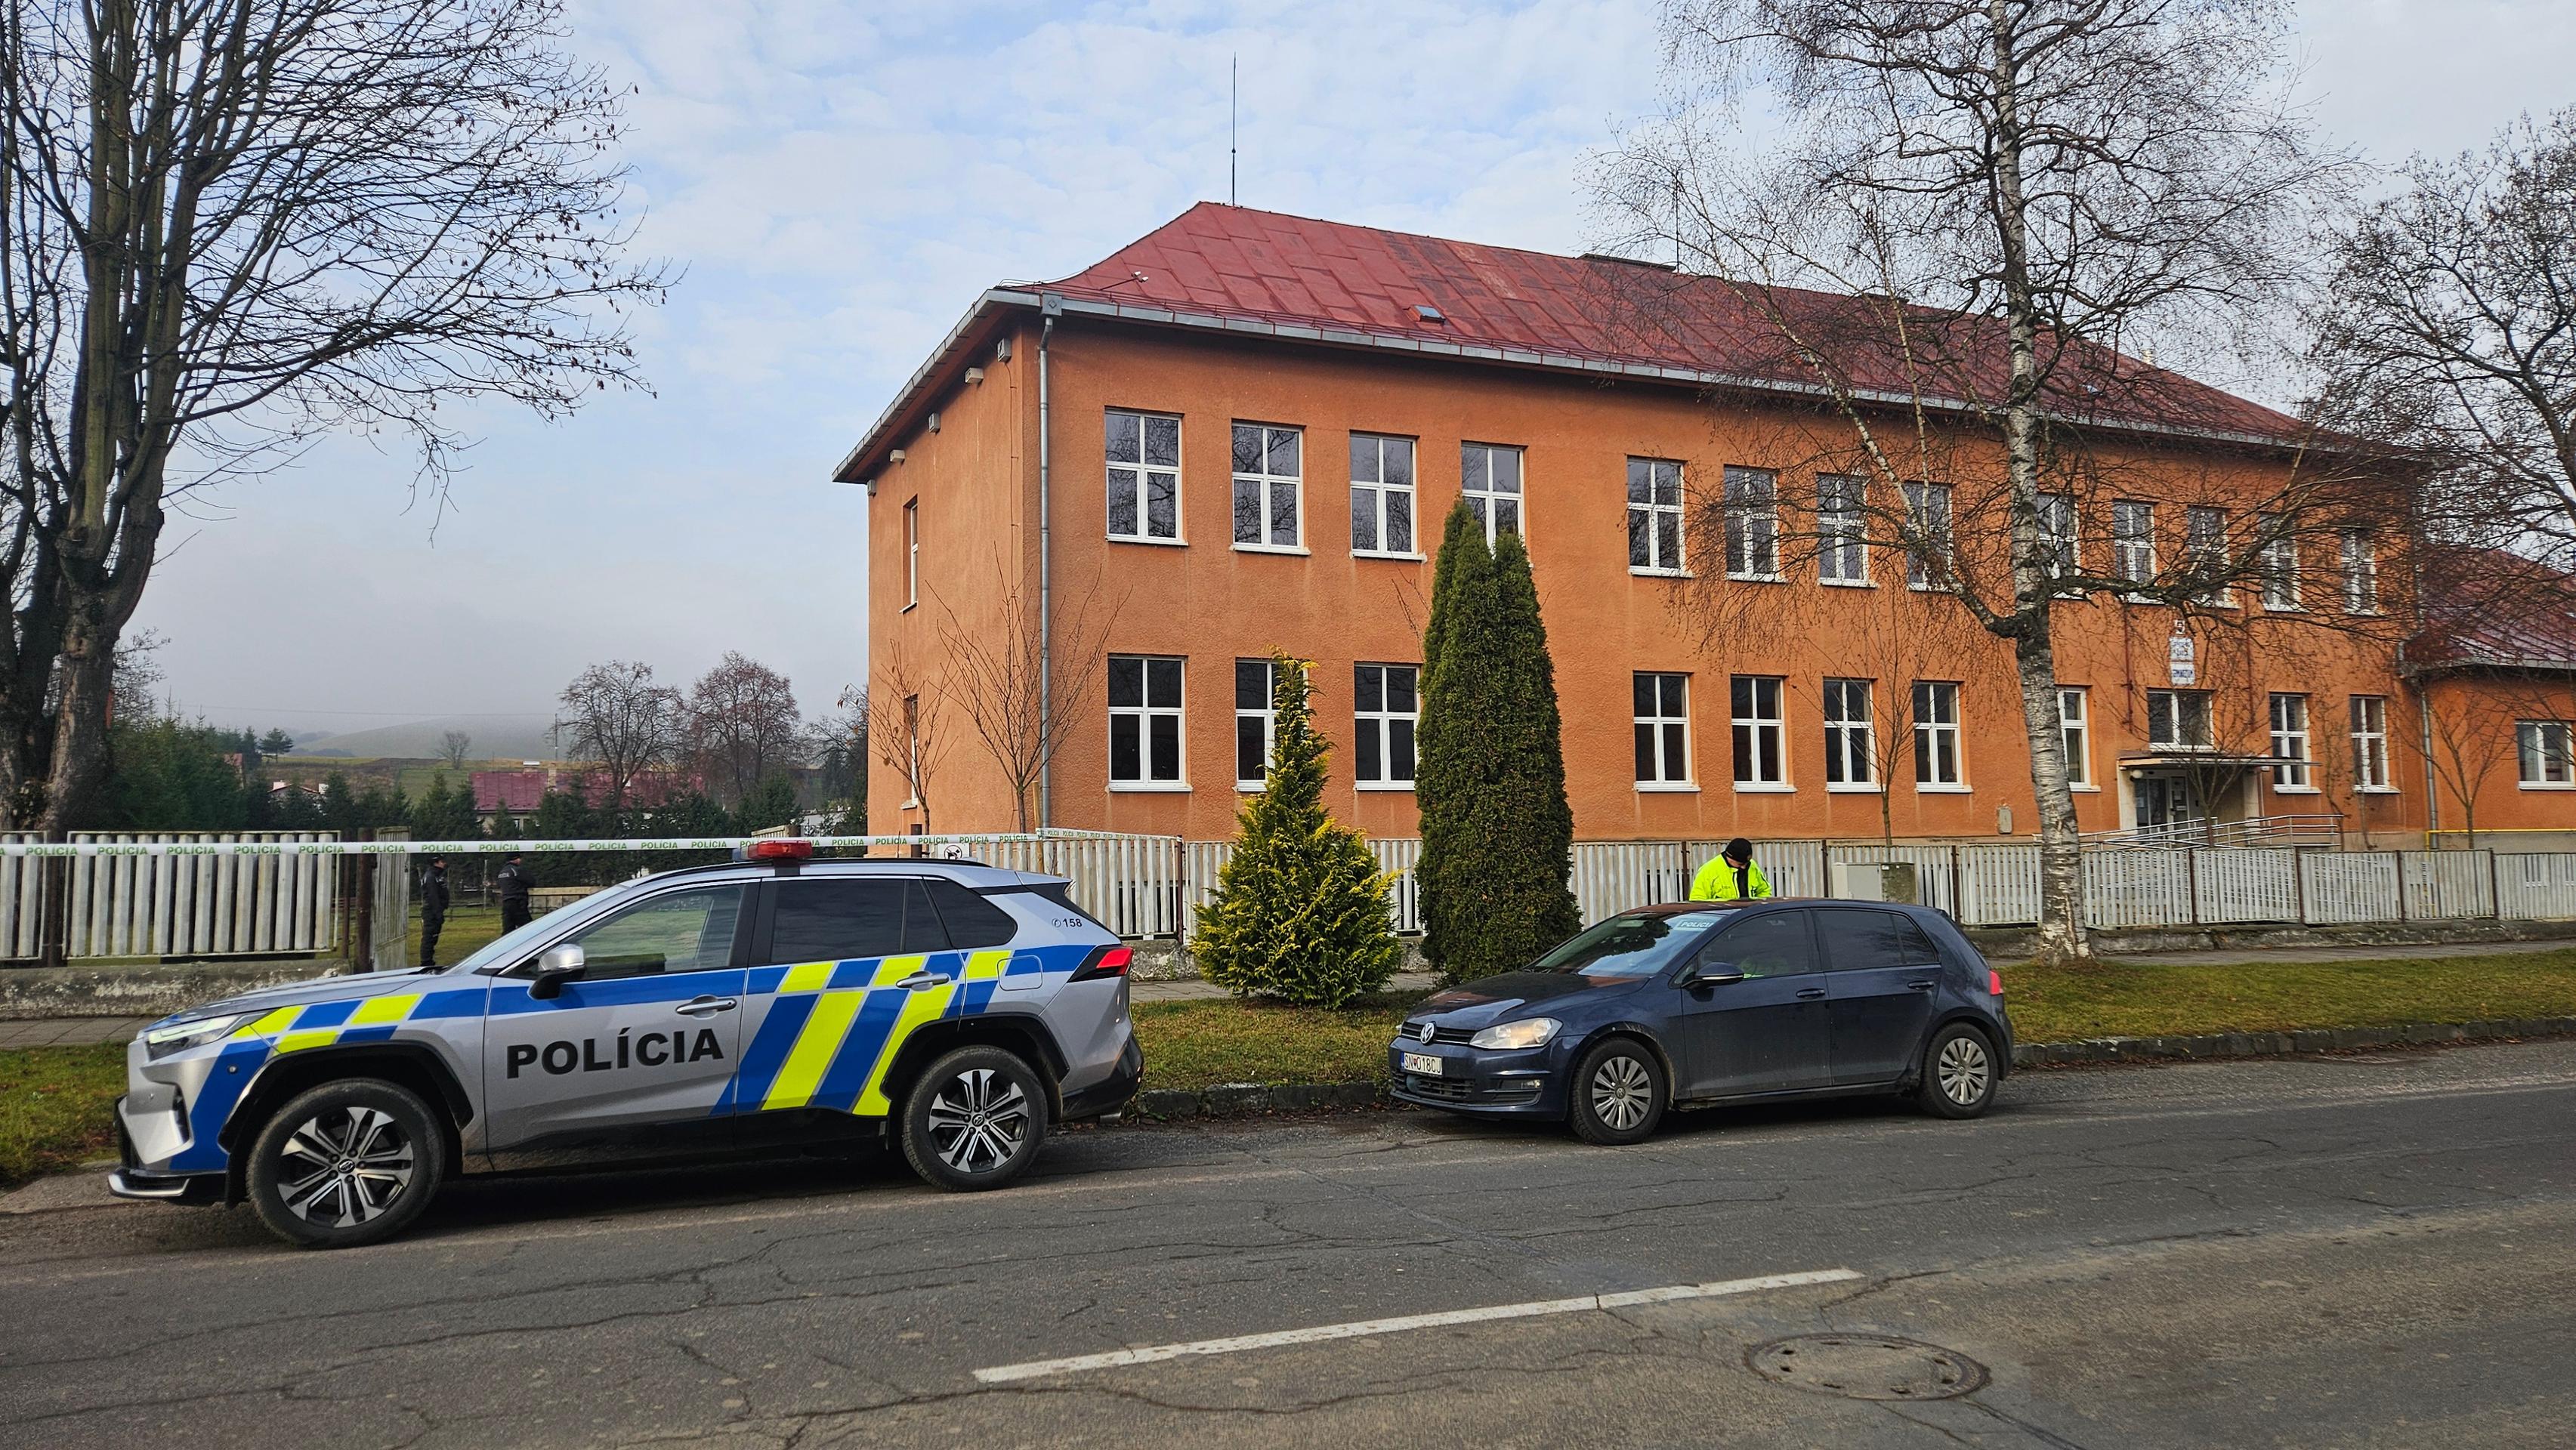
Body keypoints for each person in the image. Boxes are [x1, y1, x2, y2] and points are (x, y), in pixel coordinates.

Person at [1689, 837, 1771, 902]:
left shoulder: (1752, 865)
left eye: (1747, 863)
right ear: (1730, 858)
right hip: (1723, 920)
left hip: (1748, 918)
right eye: (1740, 864)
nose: (1744, 867)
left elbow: (1764, 890)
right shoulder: (1709, 870)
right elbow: (1698, 900)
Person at [419, 855, 451, 967]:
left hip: (436, 910)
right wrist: (437, 913)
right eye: (442, 861)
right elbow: (433, 896)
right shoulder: (431, 876)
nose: (444, 863)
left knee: (434, 936)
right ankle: (426, 962)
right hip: (431, 911)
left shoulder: (437, 876)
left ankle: (429, 960)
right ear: (435, 863)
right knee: (429, 937)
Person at [494, 851, 535, 934]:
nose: (520, 860)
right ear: (515, 859)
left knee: (508, 928)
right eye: (519, 858)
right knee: (528, 927)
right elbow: (531, 882)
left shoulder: (502, 872)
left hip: (506, 902)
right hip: (518, 901)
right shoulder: (516, 870)